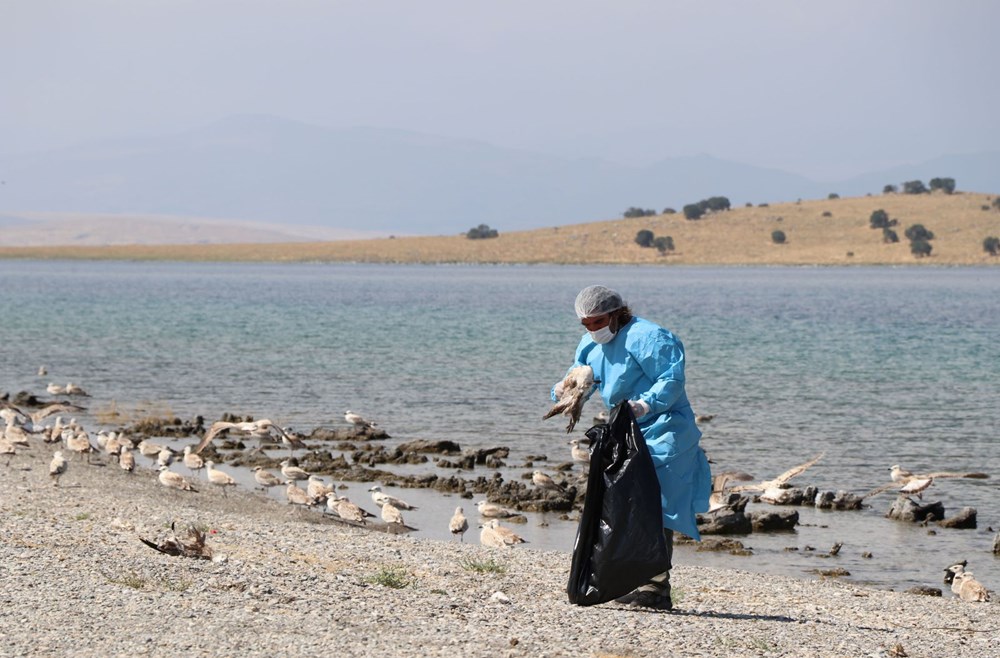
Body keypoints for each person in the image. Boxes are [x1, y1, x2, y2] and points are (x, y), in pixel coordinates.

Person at [553, 284, 711, 610]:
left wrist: (645, 405)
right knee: (626, 502)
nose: (591, 330)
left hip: (665, 428)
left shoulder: (649, 337)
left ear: (615, 314)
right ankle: (632, 580)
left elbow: (671, 379)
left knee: (655, 503)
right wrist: (560, 390)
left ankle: (656, 588)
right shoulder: (590, 344)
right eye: (585, 324)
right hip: (625, 429)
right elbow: (577, 378)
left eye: (597, 322)